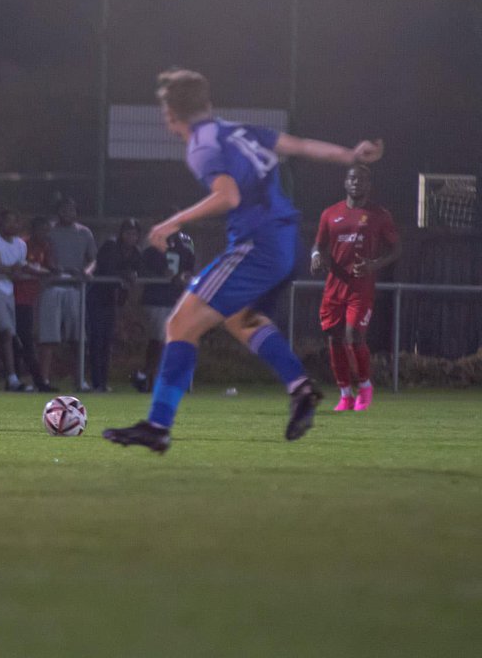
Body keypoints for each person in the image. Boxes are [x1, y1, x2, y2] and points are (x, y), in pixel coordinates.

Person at [103, 68, 383, 453]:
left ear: (171, 113)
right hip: (285, 243)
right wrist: (350, 155)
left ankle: (157, 425)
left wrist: (173, 221)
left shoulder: (201, 146)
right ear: (207, 104)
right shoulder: (238, 130)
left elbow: (228, 196)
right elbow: (298, 146)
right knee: (242, 318)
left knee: (181, 324)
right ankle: (300, 389)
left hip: (257, 245)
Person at [311, 164, 400, 411]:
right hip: (334, 287)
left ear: (368, 185)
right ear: (345, 182)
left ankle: (365, 385)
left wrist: (374, 265)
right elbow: (318, 245)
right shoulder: (330, 214)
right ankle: (344, 394)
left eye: (361, 180)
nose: (356, 183)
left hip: (361, 288)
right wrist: (316, 257)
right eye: (352, 178)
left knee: (353, 336)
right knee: (334, 339)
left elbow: (396, 249)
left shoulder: (379, 215)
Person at [39, 197, 98, 387]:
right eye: (64, 209)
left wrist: (86, 272)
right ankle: (44, 380)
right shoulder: (50, 231)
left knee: (78, 338)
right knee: (49, 337)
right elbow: (42, 254)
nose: (68, 213)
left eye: (71, 209)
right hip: (53, 286)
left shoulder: (84, 232)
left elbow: (93, 259)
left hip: (75, 287)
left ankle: (79, 379)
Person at [133, 225, 195, 393]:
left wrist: (182, 277)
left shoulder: (185, 247)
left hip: (175, 300)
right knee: (159, 340)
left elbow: (190, 272)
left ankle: (146, 376)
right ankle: (150, 378)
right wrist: (161, 277)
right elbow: (141, 271)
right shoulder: (152, 250)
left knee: (173, 341)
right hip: (156, 300)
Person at [88, 219, 144, 391]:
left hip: (112, 300)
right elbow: (106, 269)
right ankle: (96, 382)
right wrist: (125, 274)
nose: (131, 237)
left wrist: (130, 277)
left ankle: (103, 382)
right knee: (96, 340)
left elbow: (140, 269)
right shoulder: (111, 246)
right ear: (121, 234)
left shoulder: (135, 252)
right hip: (97, 297)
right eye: (127, 233)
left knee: (107, 341)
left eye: (134, 234)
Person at [0, 209, 27, 391]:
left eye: (15, 221)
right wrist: (13, 270)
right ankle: (12, 378)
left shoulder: (20, 244)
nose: (12, 225)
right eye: (8, 221)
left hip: (9, 293)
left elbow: (21, 268)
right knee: (7, 333)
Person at [14, 216, 54, 391]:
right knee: (19, 339)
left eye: (47, 230)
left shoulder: (45, 246)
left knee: (25, 339)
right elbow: (23, 266)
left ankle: (33, 380)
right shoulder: (22, 244)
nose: (44, 233)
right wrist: (43, 271)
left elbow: (48, 267)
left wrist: (51, 270)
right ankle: (33, 380)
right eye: (41, 229)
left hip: (30, 299)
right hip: (15, 297)